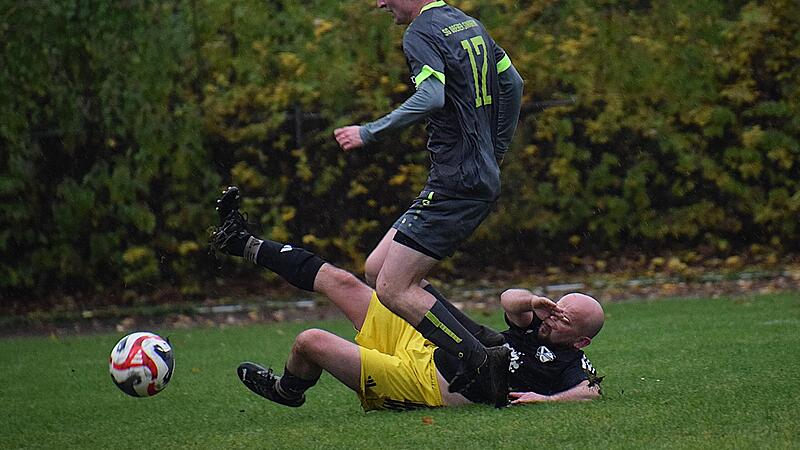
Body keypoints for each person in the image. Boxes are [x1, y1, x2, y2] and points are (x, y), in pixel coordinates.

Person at [210, 188, 603, 411]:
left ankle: (286, 391)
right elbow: (509, 300)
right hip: (427, 343)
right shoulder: (536, 322)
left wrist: (542, 399)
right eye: (558, 309)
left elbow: (590, 391)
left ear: (581, 340)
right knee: (342, 280)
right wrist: (535, 300)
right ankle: (241, 242)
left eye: (564, 321)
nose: (554, 319)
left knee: (310, 341)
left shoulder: (570, 360)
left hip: (430, 384)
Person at [332, 0, 525, 406]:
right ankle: (485, 340)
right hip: (462, 178)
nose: (380, 3)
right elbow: (514, 84)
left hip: (457, 182)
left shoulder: (420, 32)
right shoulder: (466, 23)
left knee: (392, 287)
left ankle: (480, 362)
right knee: (377, 268)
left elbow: (431, 96)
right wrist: (497, 148)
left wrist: (371, 131)